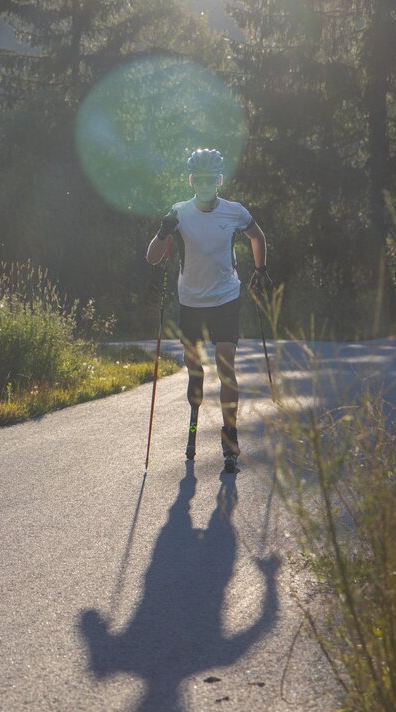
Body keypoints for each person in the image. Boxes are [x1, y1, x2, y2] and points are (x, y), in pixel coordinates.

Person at [146, 148, 271, 472]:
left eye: (209, 179)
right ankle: (195, 386)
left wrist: (260, 269)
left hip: (226, 298)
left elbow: (256, 234)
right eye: (197, 178)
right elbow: (153, 258)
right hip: (191, 302)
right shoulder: (179, 212)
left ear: (219, 180)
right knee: (194, 368)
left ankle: (230, 438)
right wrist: (163, 231)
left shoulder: (234, 212)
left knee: (226, 363)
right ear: (191, 180)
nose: (203, 184)